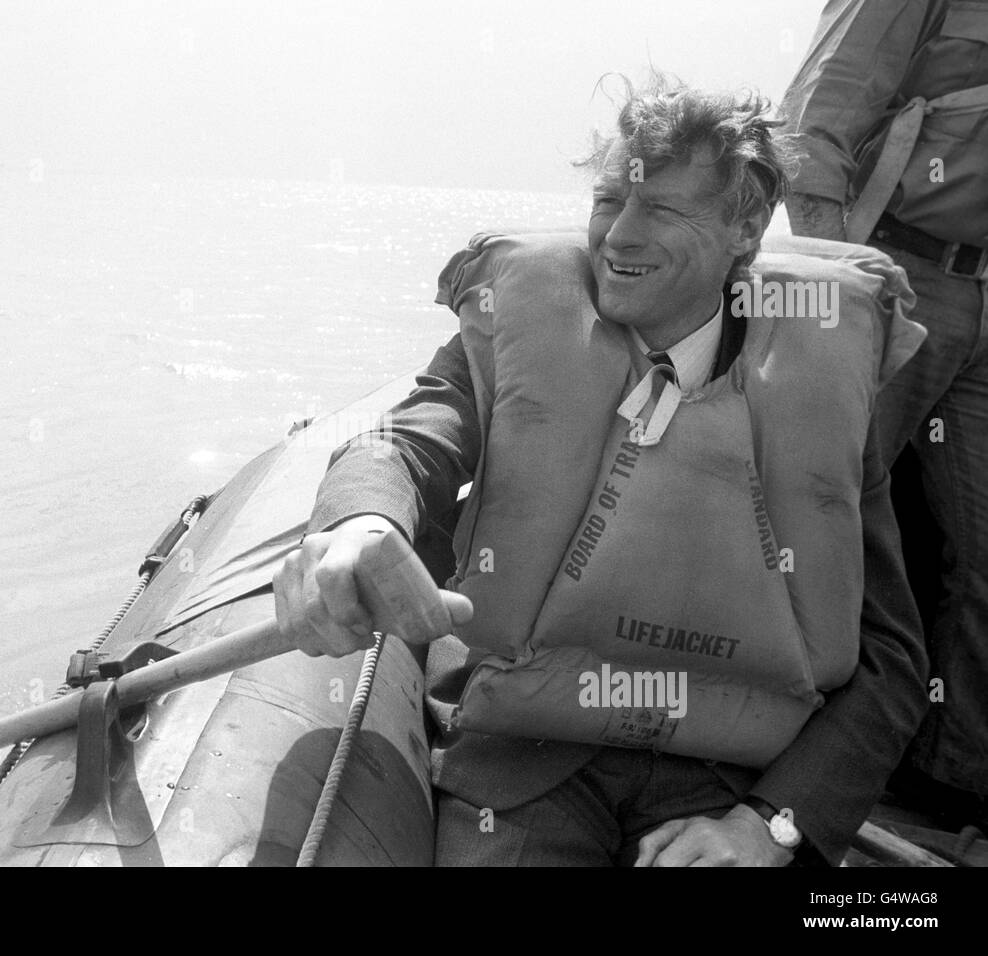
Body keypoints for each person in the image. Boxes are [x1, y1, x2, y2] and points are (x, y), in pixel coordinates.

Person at [273, 79, 929, 866]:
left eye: (662, 210)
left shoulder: (821, 386)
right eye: (609, 200)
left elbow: (892, 660)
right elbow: (408, 438)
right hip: (526, 770)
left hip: (728, 787)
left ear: (746, 227)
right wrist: (360, 524)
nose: (619, 235)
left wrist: (768, 827)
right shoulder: (520, 334)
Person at [783, 0, 988, 830]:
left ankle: (949, 778)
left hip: (982, 296)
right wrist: (843, 282)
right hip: (894, 270)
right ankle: (769, 749)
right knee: (821, 514)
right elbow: (809, 131)